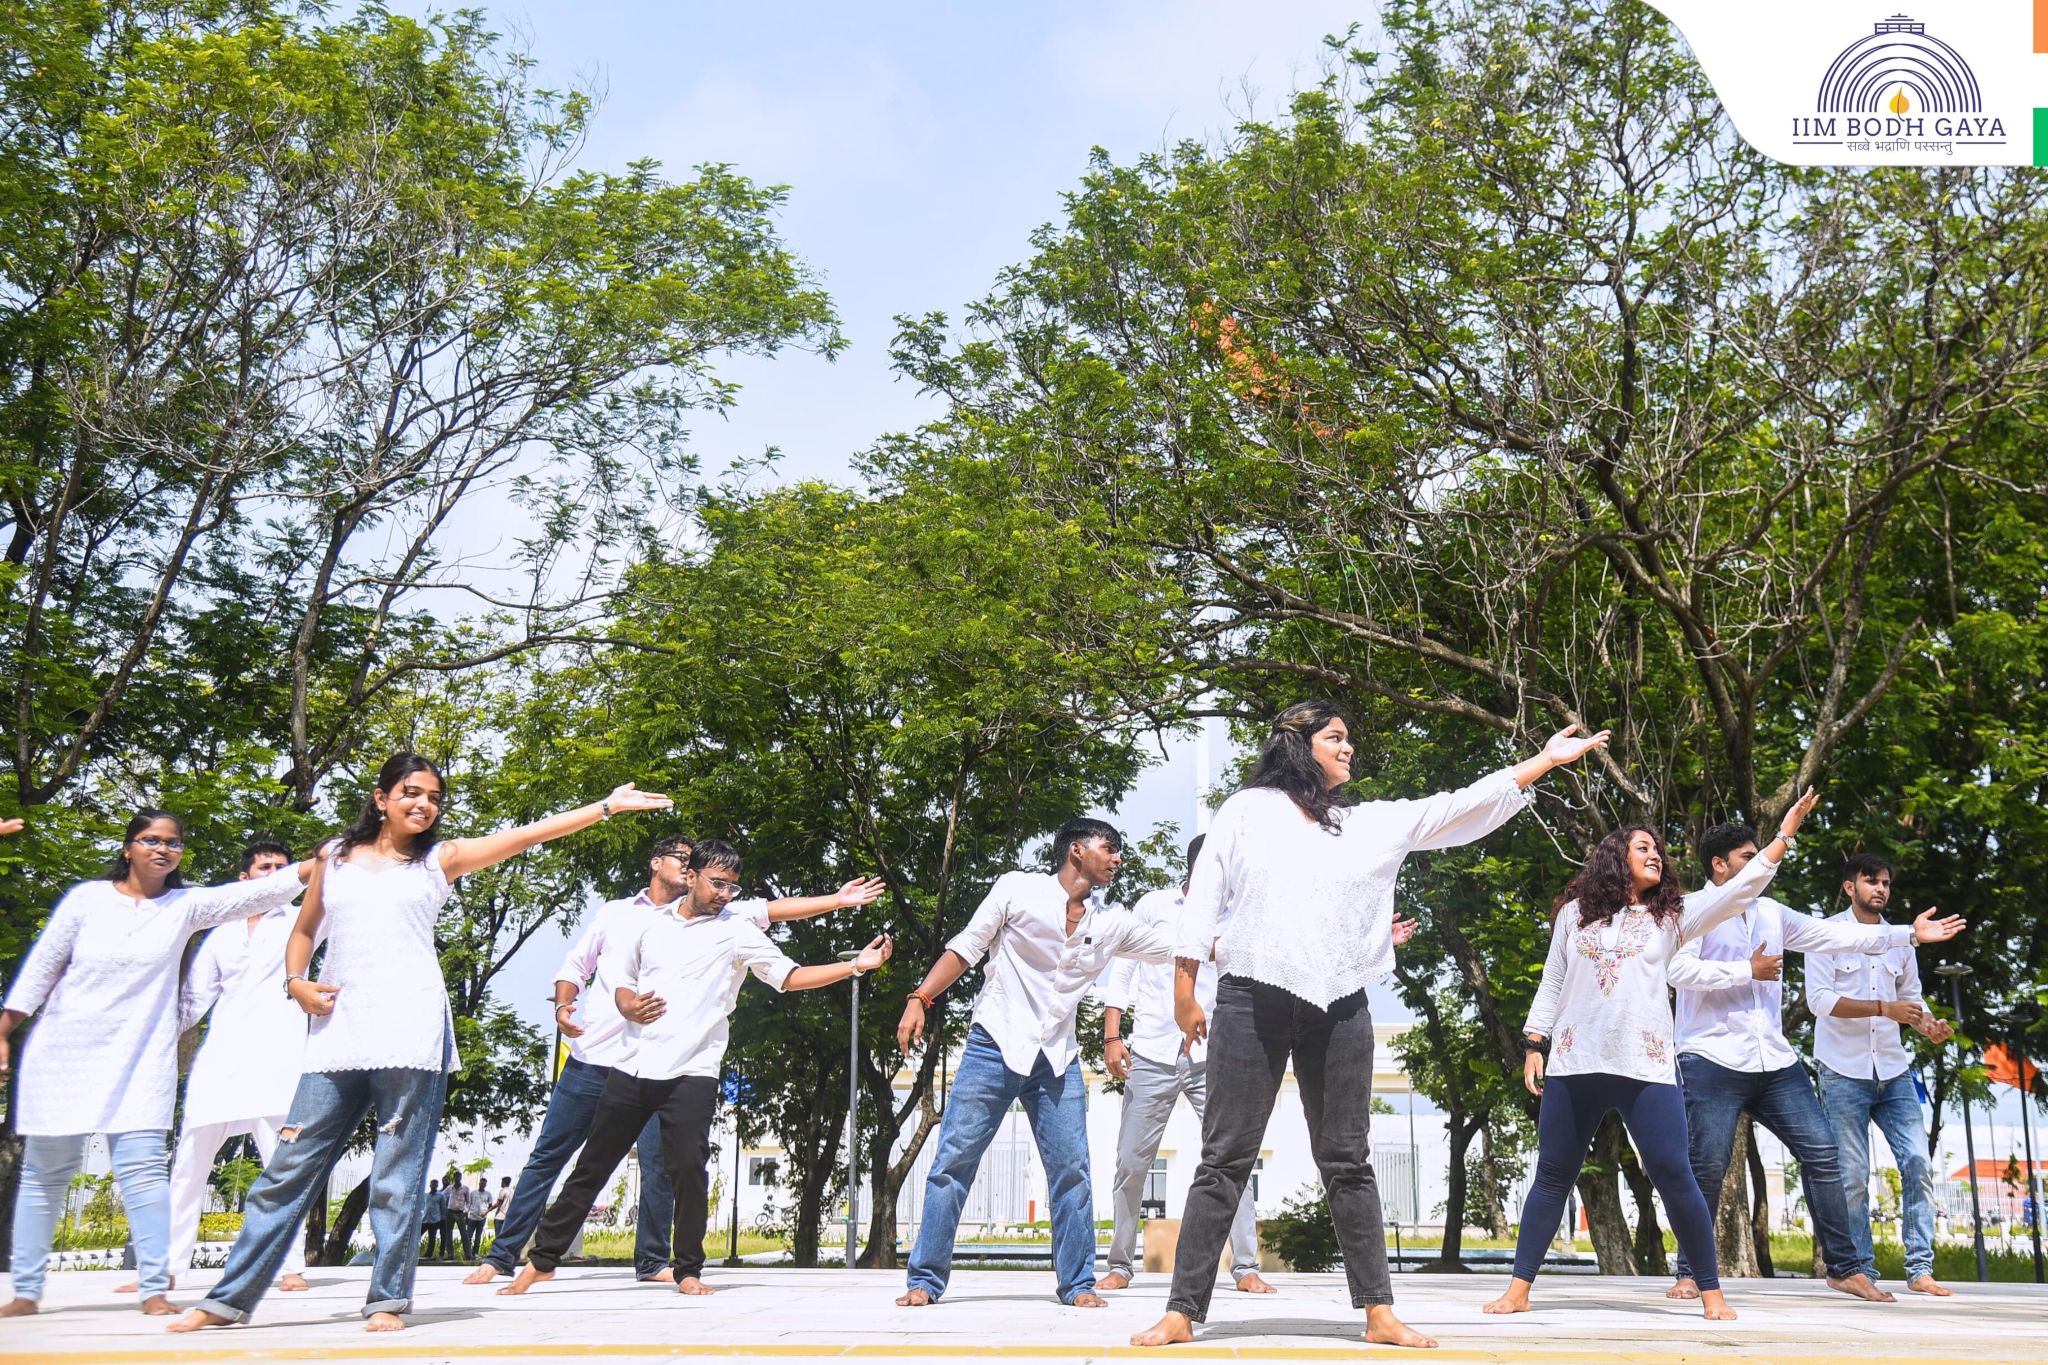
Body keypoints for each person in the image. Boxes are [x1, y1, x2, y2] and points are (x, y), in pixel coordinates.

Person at [1130, 704, 1603, 1351]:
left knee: (1348, 1159)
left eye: (1350, 737)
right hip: (1250, 998)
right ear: (1298, 744)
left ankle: (1379, 1310)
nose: (1349, 747)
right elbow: (1205, 891)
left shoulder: (1361, 823)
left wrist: (1543, 762)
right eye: (1335, 737)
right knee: (1224, 1157)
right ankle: (1182, 1309)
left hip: (1340, 1005)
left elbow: (1454, 808)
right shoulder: (1246, 809)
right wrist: (1186, 991)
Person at [168, 754, 672, 1335]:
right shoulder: (335, 858)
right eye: (410, 792)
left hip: (411, 1035)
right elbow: (304, 929)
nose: (423, 804)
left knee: (396, 1177)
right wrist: (296, 982)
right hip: (339, 1037)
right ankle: (228, 1298)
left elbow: (525, 835)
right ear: (381, 797)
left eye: (433, 796)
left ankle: (387, 1299)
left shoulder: (439, 859)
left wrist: (604, 807)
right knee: (288, 1167)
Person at [465, 834, 882, 1286]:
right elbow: (618, 978)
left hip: (693, 1072)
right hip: (632, 1065)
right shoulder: (644, 923)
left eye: (732, 888)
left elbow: (790, 976)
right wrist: (625, 1005)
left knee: (686, 1171)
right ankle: (540, 1262)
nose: (724, 895)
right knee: (591, 1167)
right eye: (717, 883)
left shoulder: (737, 928)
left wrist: (854, 965)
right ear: (692, 875)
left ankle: (686, 1269)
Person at [1484, 791, 1819, 1324]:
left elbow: (1740, 889)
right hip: (1576, 1062)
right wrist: (1533, 1043)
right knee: (1553, 1174)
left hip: (1646, 1067)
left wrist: (1784, 836)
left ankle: (1710, 1291)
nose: (1655, 855)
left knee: (1674, 1173)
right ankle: (1519, 1288)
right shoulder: (1574, 915)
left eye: (1657, 849)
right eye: (1643, 848)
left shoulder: (1674, 917)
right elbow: (1552, 982)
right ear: (1617, 858)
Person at [0, 811, 315, 1317]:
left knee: (161, 1170)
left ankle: (166, 1287)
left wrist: (327, 857)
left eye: (173, 842)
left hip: (204, 1061)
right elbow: (43, 967)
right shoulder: (90, 901)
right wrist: (4, 1030)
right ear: (128, 847)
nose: (162, 849)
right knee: (55, 1174)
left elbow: (266, 896)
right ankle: (33, 1291)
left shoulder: (194, 908)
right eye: (150, 840)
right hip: (78, 1053)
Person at [1665, 824, 1966, 1304]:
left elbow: (1838, 937)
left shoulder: (1771, 913)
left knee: (1824, 1155)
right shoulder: (1692, 909)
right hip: (1712, 1056)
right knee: (1708, 1167)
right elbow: (1675, 970)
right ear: (1719, 864)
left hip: (1775, 1059)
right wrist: (1747, 970)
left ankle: (1844, 1269)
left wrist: (1909, 934)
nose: (1760, 865)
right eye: (1749, 857)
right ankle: (1689, 1272)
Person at [894, 818, 1177, 1310]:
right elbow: (966, 948)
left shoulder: (1110, 923)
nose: (1116, 859)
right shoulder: (1017, 890)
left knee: (1072, 1171)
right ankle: (925, 1279)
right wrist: (920, 996)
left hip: (1056, 1057)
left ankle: (1077, 1284)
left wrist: (1249, 946)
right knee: (953, 1163)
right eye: (1108, 848)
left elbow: (1178, 949)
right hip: (994, 1044)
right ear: (1075, 851)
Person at [122, 841, 320, 1297]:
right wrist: (150, 1036)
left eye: (283, 868)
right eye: (266, 868)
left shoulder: (300, 920)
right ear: (245, 879)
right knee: (190, 1162)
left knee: (283, 1164)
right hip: (221, 1059)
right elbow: (192, 999)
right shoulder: (222, 931)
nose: (276, 874)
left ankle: (289, 1265)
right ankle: (167, 1267)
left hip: (280, 1059)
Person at [1099, 834, 1293, 1297]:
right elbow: (1122, 969)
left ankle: (1245, 1265)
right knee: (1130, 1160)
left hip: (1218, 1059)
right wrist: (1112, 1034)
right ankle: (1121, 1264)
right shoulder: (1154, 906)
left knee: (1233, 1159)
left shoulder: (1243, 917)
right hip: (1151, 1053)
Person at [1807, 852, 1958, 1297]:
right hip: (1841, 1070)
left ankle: (1920, 1268)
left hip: (1892, 1067)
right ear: (1850, 887)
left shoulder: (1899, 941)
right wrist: (1883, 1009)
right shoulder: (1826, 935)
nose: (1881, 889)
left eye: (1886, 883)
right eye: (1871, 881)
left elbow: (1910, 995)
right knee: (1852, 1174)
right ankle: (1860, 1272)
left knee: (1918, 1162)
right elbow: (1819, 1000)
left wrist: (1926, 1022)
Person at [464, 1177, 491, 1259]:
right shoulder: (473, 1193)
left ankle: (475, 1253)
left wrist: (486, 1212)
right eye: (481, 1183)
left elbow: (490, 1205)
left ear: (486, 1185)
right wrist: (466, 1216)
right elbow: (468, 1204)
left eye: (484, 1183)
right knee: (469, 1236)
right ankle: (467, 1254)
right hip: (472, 1218)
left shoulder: (488, 1194)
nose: (482, 1184)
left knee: (478, 1237)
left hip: (481, 1219)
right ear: (479, 1183)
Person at [421, 1181, 448, 1260]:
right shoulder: (426, 1195)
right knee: (417, 1236)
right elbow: (424, 1206)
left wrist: (442, 1219)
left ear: (437, 1186)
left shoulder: (441, 1195)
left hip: (435, 1220)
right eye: (432, 1184)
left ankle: (428, 1254)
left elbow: (443, 1208)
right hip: (425, 1219)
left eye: (435, 1185)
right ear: (430, 1185)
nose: (433, 1186)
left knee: (432, 1238)